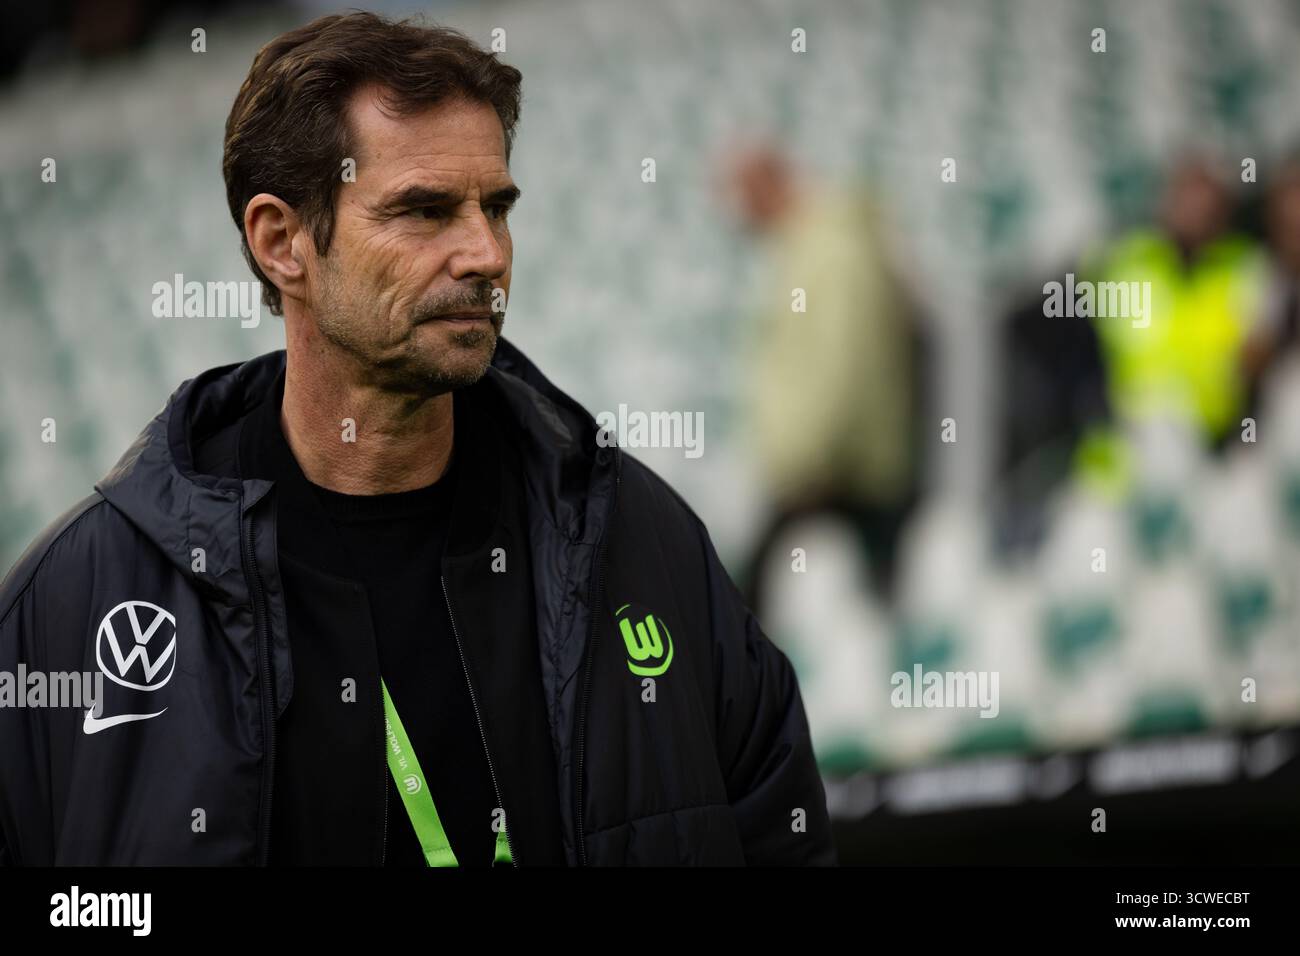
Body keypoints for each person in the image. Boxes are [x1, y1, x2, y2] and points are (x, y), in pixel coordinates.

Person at [0, 12, 834, 866]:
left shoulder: (637, 541)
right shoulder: (72, 605)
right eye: (425, 210)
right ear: (281, 243)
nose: (485, 253)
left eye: (496, 208)